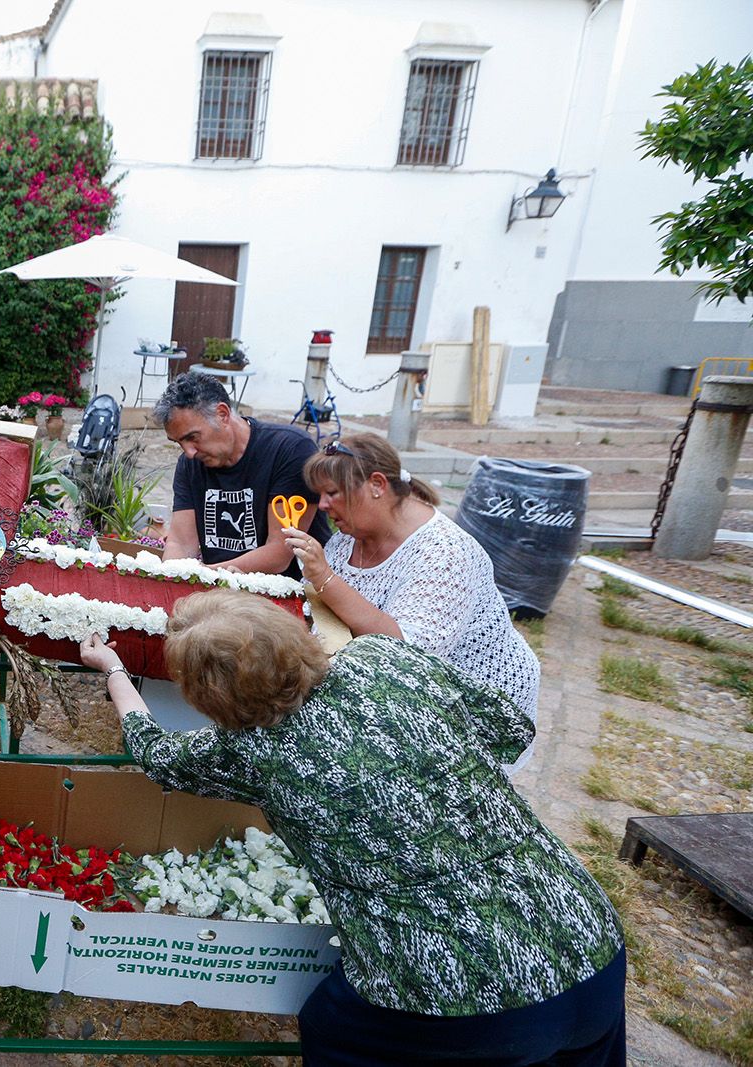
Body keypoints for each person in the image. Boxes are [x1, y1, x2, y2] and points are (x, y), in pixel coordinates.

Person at [80, 589, 626, 1067]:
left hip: (464, 995)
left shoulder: (251, 751)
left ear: (206, 697)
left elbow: (155, 752)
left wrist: (113, 670)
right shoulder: (381, 658)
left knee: (329, 1028)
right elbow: (509, 727)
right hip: (588, 939)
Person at [282, 433, 541, 772]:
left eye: (332, 493)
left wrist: (325, 579)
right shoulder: (348, 539)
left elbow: (409, 652)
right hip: (404, 691)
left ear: (376, 484)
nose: (324, 505)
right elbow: (324, 614)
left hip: (476, 702)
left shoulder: (445, 552)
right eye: (321, 495)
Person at [154, 371, 330, 577]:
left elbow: (280, 552)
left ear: (222, 414)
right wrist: (170, 577)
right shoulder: (189, 465)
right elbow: (181, 543)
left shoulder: (290, 450)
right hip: (221, 591)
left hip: (290, 594)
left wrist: (204, 574)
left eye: (193, 437)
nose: (189, 452)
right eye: (179, 443)